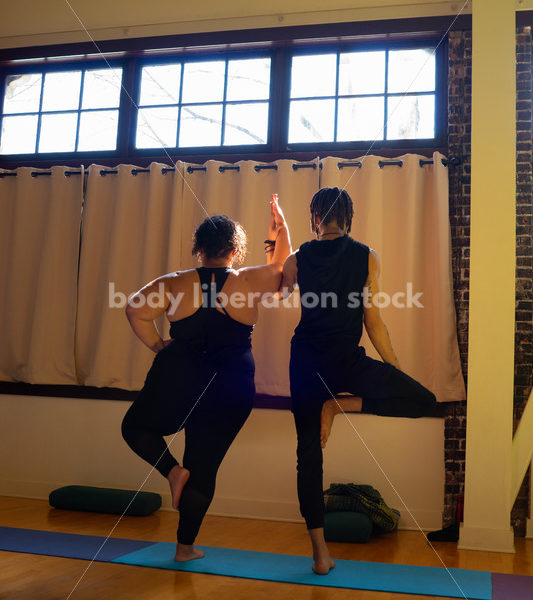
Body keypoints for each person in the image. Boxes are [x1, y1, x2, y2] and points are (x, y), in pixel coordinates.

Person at [121, 197, 291, 562]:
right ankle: (185, 547)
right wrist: (279, 229)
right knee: (204, 464)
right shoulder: (249, 280)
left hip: (179, 374)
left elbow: (135, 308)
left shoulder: (174, 282)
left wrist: (158, 346)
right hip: (231, 383)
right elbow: (281, 266)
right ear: (234, 250)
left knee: (135, 428)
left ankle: (171, 472)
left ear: (199, 249)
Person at [279, 186, 437, 575]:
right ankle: (338, 405)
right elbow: (373, 321)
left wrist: (278, 237)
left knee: (308, 456)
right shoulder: (367, 257)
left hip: (305, 364)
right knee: (424, 400)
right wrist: (395, 370)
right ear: (348, 217)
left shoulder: (297, 258)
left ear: (316, 217)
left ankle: (320, 555)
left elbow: (279, 291)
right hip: (348, 362)